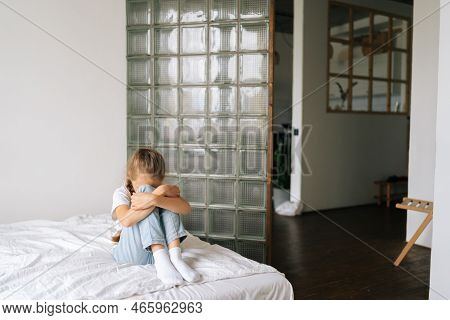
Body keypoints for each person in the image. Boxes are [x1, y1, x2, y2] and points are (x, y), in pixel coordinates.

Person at [111, 148, 200, 285]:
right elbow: (125, 221)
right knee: (149, 193)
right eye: (142, 185)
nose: (151, 189)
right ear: (130, 176)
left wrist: (157, 197)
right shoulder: (121, 193)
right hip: (131, 254)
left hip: (163, 253)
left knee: (168, 200)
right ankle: (160, 256)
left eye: (155, 186)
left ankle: (176, 258)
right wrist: (155, 194)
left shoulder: (162, 189)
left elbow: (186, 208)